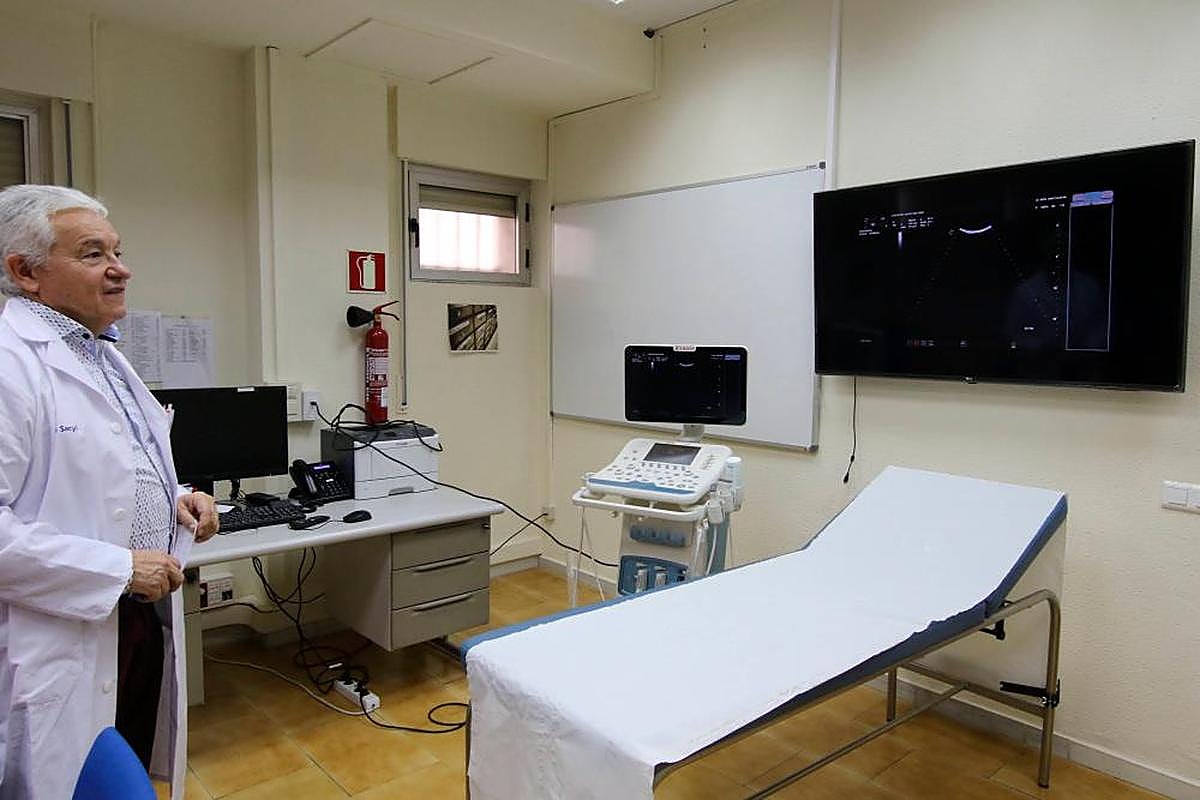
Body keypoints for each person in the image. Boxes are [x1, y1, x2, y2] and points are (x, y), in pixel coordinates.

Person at [0, 184, 218, 799]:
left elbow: (112, 465)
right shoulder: (10, 363)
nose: (121, 269)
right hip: (61, 628)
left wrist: (177, 498)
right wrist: (118, 568)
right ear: (26, 272)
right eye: (93, 254)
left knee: (123, 754)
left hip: (131, 618)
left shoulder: (100, 355)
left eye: (117, 251)